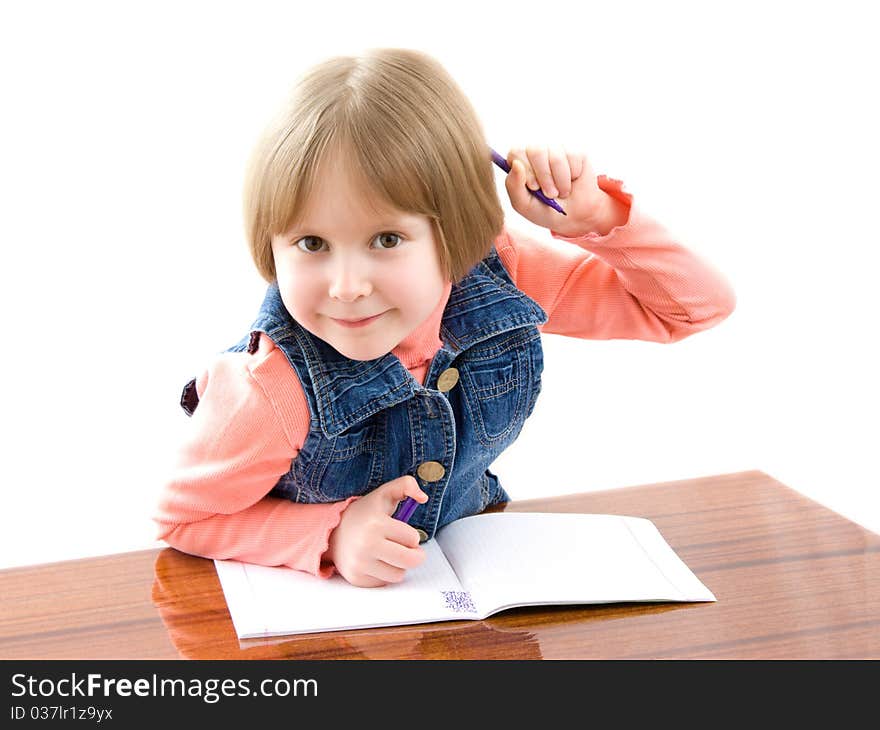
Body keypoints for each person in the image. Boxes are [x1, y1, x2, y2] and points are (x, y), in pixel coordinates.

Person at [153, 48, 736, 588]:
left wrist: (594, 218)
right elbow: (182, 518)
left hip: (478, 582)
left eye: (386, 238)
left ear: (461, 232)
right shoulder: (267, 389)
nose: (347, 287)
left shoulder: (499, 273)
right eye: (310, 243)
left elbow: (692, 308)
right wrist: (331, 533)